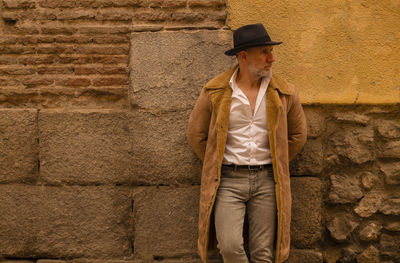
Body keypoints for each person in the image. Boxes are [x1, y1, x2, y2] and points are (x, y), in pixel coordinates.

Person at [187, 23, 307, 263]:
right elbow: (196, 135)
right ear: (243, 56)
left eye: (271, 52)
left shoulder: (284, 93)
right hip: (228, 180)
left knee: (263, 253)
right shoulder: (215, 91)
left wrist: (277, 160)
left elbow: (297, 135)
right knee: (229, 247)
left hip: (267, 179)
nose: (271, 58)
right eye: (264, 52)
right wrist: (216, 161)